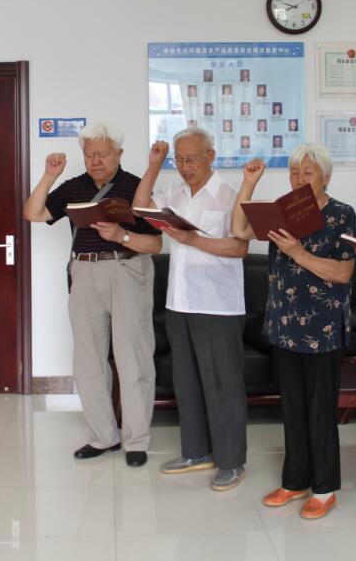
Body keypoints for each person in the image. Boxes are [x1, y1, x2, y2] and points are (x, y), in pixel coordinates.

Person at [22, 122, 162, 468]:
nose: (96, 160)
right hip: (84, 272)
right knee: (88, 360)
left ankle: (136, 441)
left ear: (119, 154)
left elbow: (155, 244)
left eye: (103, 154)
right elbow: (33, 213)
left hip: (127, 269)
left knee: (133, 358)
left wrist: (120, 236)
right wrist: (49, 176)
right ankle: (103, 436)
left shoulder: (135, 187)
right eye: (89, 155)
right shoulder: (74, 187)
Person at [232, 145, 356, 520]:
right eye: (293, 172)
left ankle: (325, 488)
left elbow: (343, 273)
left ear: (325, 177)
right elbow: (238, 230)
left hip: (323, 329)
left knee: (320, 411)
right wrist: (248, 183)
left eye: (308, 173)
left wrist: (298, 252)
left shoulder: (342, 214)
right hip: (284, 326)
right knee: (291, 408)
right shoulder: (282, 211)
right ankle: (295, 481)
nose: (299, 179)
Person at [134, 127, 250, 491]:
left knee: (223, 384)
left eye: (191, 159)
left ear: (210, 156)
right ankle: (197, 452)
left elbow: (239, 248)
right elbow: (140, 208)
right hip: (179, 301)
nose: (185, 167)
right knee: (187, 382)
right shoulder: (175, 193)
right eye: (179, 160)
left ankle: (231, 461)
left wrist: (193, 239)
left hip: (216, 304)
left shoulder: (230, 194)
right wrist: (155, 165)